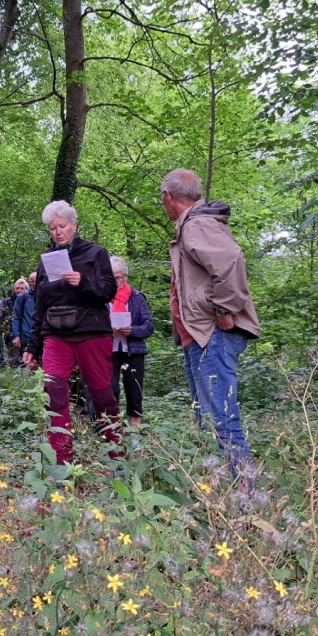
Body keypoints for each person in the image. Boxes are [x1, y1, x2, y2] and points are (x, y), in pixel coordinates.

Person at [160, 169, 259, 475]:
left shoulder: (197, 224)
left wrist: (223, 309)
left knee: (222, 419)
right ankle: (219, 488)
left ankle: (245, 494)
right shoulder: (193, 224)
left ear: (168, 196)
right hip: (198, 336)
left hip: (211, 334)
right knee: (207, 418)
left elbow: (231, 262)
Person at [23, 201, 121, 463]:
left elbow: (108, 291)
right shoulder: (46, 260)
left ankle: (117, 456)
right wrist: (32, 346)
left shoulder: (96, 253)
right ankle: (61, 460)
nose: (57, 232)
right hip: (56, 334)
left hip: (92, 332)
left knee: (101, 393)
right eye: (52, 228)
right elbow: (40, 305)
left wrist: (83, 281)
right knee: (53, 393)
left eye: (62, 226)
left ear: (74, 226)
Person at [108, 256, 154, 432]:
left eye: (118, 277)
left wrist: (132, 330)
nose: (114, 281)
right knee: (110, 390)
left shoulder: (137, 297)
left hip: (133, 351)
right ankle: (112, 431)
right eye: (110, 277)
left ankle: (134, 434)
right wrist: (106, 330)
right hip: (109, 351)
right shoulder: (100, 297)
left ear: (125, 276)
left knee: (134, 393)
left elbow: (148, 326)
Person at [0, 278, 28, 367]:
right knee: (14, 360)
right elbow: (0, 317)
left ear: (26, 289)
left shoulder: (30, 300)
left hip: (27, 333)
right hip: (11, 333)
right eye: (17, 288)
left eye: (22, 288)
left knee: (27, 358)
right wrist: (12, 321)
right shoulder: (7, 301)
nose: (19, 290)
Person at [10, 272, 36, 364]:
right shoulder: (23, 297)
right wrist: (16, 335)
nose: (34, 283)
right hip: (27, 337)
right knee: (28, 363)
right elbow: (16, 317)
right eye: (31, 281)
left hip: (44, 337)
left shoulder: (46, 295)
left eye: (36, 281)